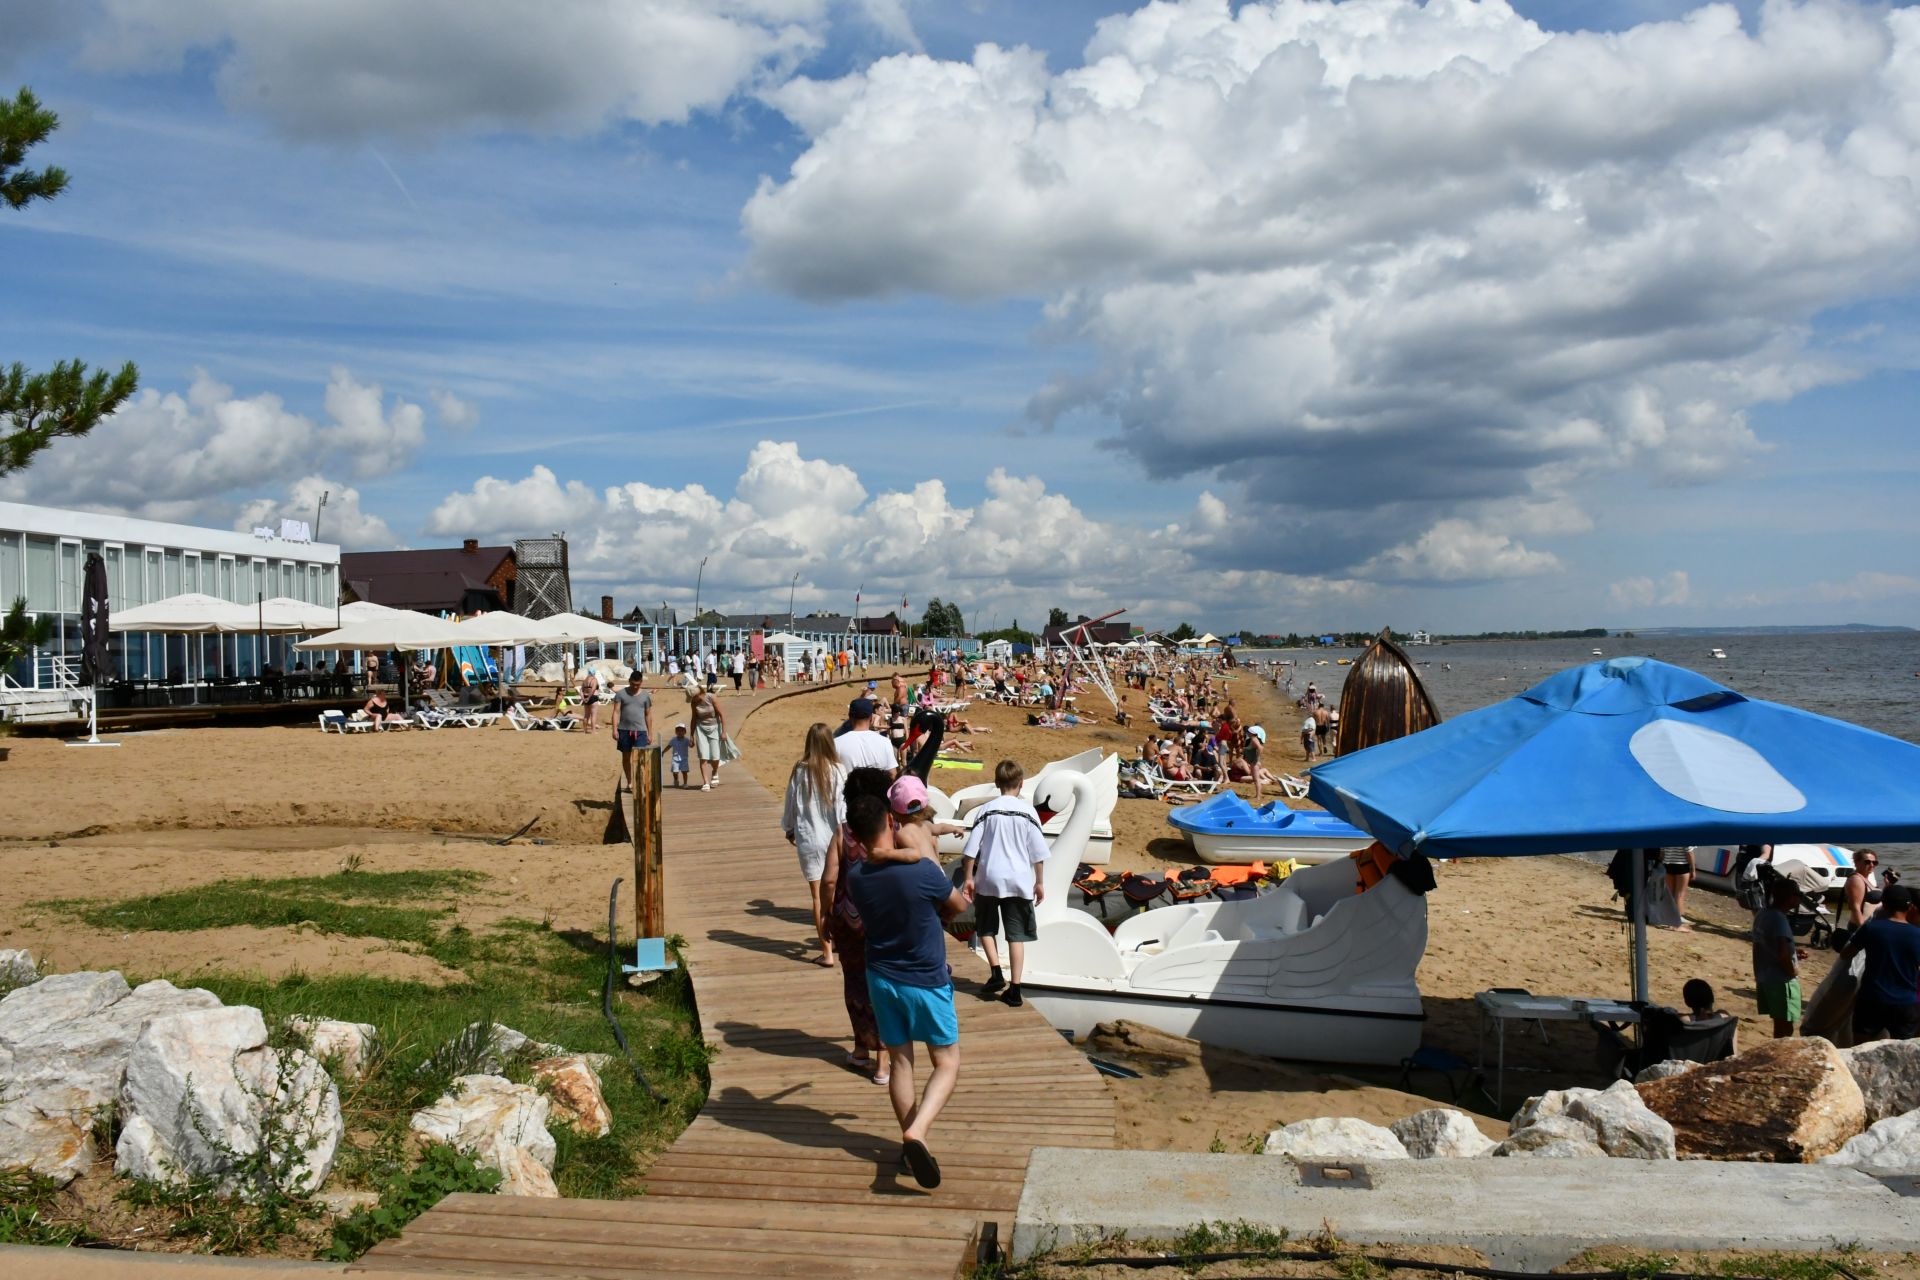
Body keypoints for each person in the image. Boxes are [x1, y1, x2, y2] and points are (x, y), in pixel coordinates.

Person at [843, 791, 968, 1190]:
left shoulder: (856, 876)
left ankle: (912, 1142)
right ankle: (917, 1132)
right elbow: (958, 906)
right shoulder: (923, 872)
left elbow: (879, 866)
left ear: (858, 837)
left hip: (881, 977)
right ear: (890, 824)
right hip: (926, 978)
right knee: (946, 1063)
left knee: (900, 1063)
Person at [821, 767, 896, 1084]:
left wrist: (826, 915)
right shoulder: (892, 829)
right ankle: (883, 1062)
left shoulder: (843, 831)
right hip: (884, 919)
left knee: (854, 982)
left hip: (848, 919)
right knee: (884, 987)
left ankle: (859, 1049)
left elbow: (828, 880)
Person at [961, 759, 1049, 1008]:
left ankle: (996, 972)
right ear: (1021, 784)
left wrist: (968, 877)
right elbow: (1037, 854)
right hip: (1019, 880)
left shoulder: (986, 810)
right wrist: (1040, 882)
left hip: (989, 877)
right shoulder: (1029, 812)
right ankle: (1016, 989)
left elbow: (970, 851)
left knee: (985, 927)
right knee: (1016, 936)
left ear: (997, 783)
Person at [782, 723, 848, 967]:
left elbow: (791, 803)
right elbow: (844, 809)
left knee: (818, 897)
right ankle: (840, 940)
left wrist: (789, 828)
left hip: (809, 837)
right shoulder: (839, 770)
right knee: (839, 891)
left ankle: (827, 952)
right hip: (835, 837)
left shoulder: (800, 770)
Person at [1839, 885, 1920, 1042]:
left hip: (1872, 999)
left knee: (1860, 1050)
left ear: (1884, 905)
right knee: (1903, 1054)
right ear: (1909, 907)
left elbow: (1845, 954)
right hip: (1905, 1003)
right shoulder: (1917, 935)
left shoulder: (1871, 928)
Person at [1752, 878, 1808, 1039]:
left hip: (1765, 977)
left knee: (1779, 1023)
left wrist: (1794, 950)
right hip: (1781, 981)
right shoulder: (1779, 919)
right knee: (1786, 1027)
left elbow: (1769, 944)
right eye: (1798, 895)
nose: (1799, 899)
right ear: (1791, 898)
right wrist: (1793, 971)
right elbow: (1783, 955)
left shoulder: (1763, 914)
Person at [611, 671, 654, 789]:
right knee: (626, 757)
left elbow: (648, 715)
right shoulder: (620, 694)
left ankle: (640, 780)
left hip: (640, 731)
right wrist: (614, 729)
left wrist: (650, 733)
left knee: (641, 757)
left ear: (641, 682)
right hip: (624, 730)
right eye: (633, 684)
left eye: (638, 684)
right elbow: (616, 712)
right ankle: (630, 782)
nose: (635, 687)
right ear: (629, 681)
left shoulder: (645, 696)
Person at [834, 698, 898, 772]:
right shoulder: (885, 742)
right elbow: (892, 774)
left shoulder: (836, 743)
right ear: (871, 717)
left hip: (849, 783)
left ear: (850, 717)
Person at [687, 685, 727, 790]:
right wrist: (691, 735)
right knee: (703, 756)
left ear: (699, 694)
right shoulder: (694, 702)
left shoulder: (711, 697)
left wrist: (724, 732)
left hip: (714, 727)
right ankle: (705, 782)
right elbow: (694, 718)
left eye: (694, 697)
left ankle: (715, 771)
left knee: (715, 756)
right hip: (701, 728)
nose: (693, 699)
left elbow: (722, 715)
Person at [1842, 850, 1886, 932]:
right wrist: (1863, 931)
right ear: (1856, 862)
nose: (1871, 865)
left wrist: (1887, 885)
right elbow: (1855, 907)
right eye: (1867, 862)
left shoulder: (1865, 879)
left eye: (1874, 862)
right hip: (1861, 926)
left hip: (1870, 925)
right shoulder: (1856, 879)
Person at [1660, 846, 1696, 932]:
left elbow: (1662, 852)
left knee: (1671, 895)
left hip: (1668, 864)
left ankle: (1669, 921)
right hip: (1682, 865)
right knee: (1680, 895)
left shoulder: (1665, 833)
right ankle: (1677, 925)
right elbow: (1689, 853)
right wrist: (1693, 869)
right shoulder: (1684, 834)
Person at [668, 723, 692, 789]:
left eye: (682, 731)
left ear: (685, 732)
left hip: (684, 758)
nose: (680, 732)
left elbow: (691, 746)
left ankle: (685, 783)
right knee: (675, 772)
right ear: (676, 732)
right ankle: (676, 780)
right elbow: (669, 746)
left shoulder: (686, 740)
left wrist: (692, 743)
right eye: (678, 731)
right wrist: (663, 752)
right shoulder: (673, 739)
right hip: (675, 758)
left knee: (684, 771)